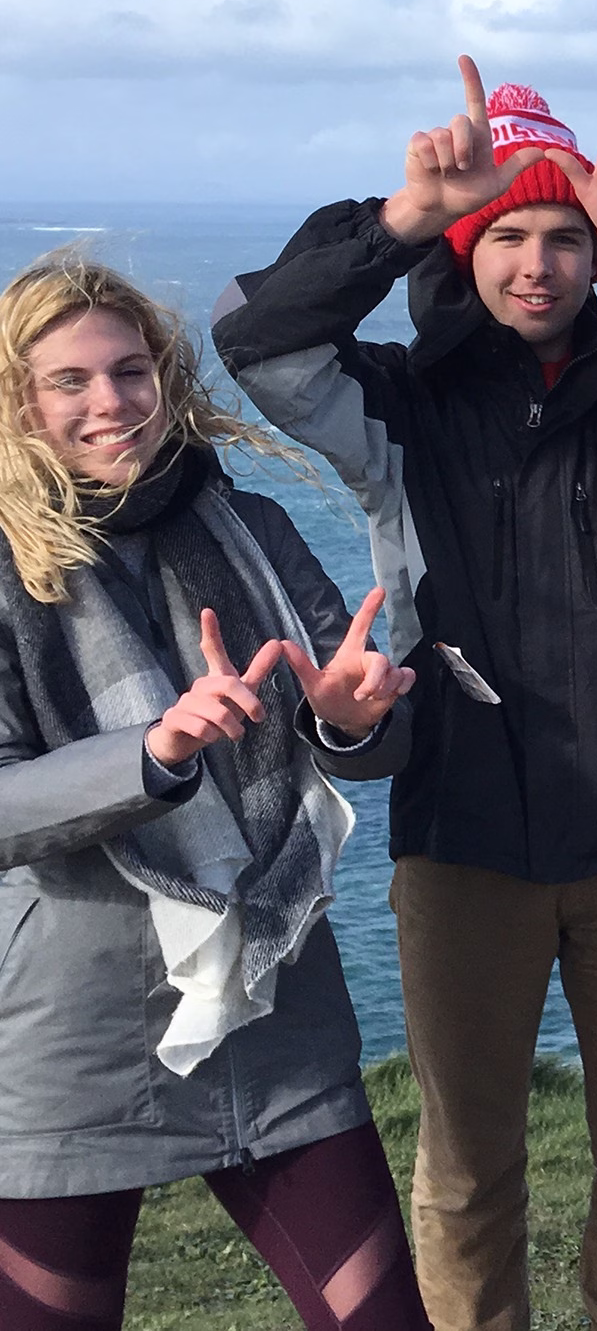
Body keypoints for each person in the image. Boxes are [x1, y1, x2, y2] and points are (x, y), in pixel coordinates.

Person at [212, 58, 597, 1331]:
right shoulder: (396, 406)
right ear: (465, 251)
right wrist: (397, 219)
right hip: (459, 833)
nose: (538, 263)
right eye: (506, 234)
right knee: (467, 1171)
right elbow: (255, 335)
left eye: (565, 238)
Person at [0, 253, 428, 1330]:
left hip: (275, 1009)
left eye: (131, 370)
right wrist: (153, 753)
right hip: (72, 1038)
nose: (111, 401)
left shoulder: (253, 529)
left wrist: (351, 718)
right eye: (71, 380)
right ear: (20, 402)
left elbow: (360, 744)